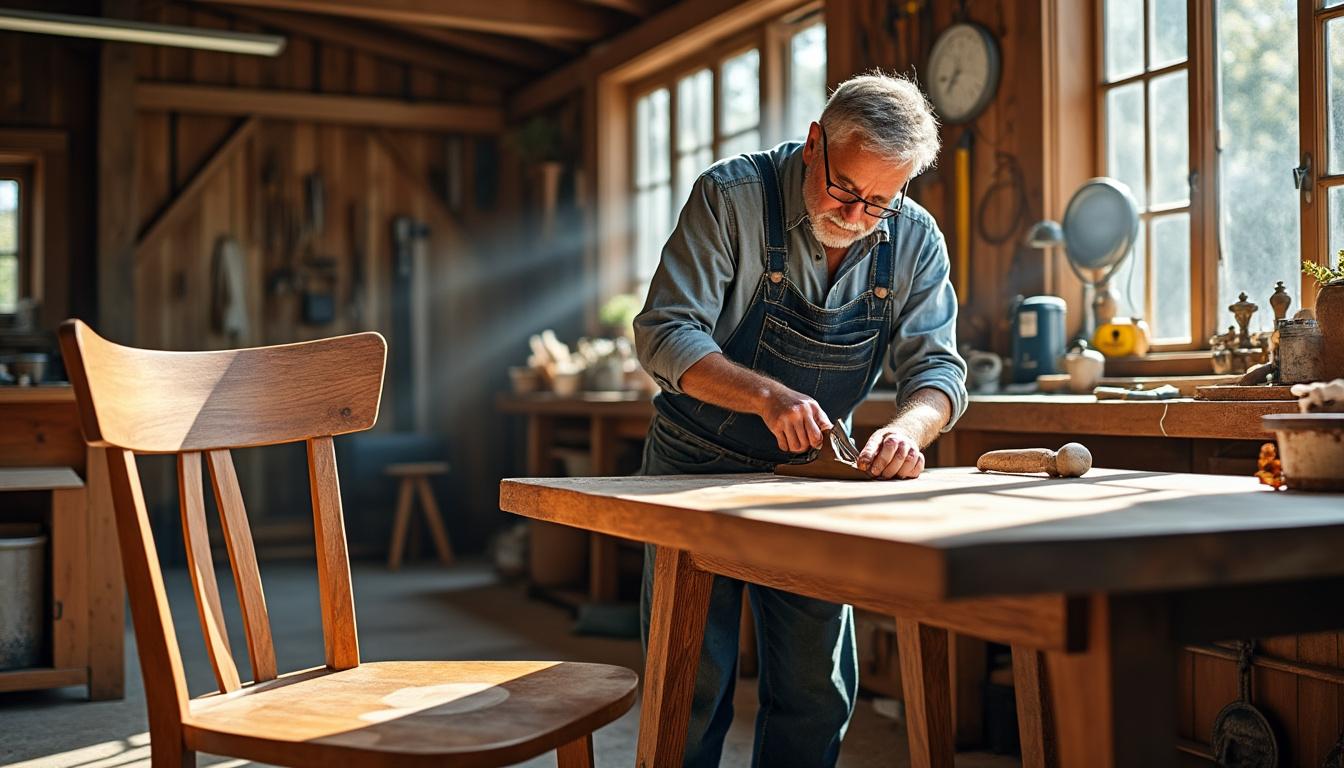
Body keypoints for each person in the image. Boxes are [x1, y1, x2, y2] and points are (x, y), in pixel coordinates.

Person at [632, 71, 969, 767]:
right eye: (845, 189)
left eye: (880, 201)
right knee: (691, 683)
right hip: (695, 463)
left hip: (812, 478)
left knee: (816, 691)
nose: (856, 215)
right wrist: (767, 396)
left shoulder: (914, 238)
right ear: (815, 142)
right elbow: (665, 332)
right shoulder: (731, 197)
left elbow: (938, 372)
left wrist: (908, 429)